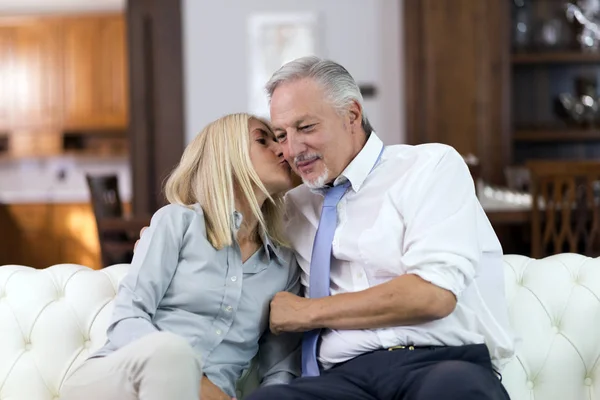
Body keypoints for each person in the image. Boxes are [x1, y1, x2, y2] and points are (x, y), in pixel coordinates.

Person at [244, 56, 515, 400]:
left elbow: (433, 294)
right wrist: (170, 233)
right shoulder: (292, 209)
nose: (293, 149)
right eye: (282, 135)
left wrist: (307, 312)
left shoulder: (428, 167)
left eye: (306, 127)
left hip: (440, 364)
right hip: (343, 379)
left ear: (352, 115)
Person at [60, 113, 301, 400]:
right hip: (118, 382)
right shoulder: (177, 223)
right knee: (171, 354)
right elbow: (128, 316)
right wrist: (194, 381)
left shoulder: (284, 265)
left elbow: (280, 366)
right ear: (228, 156)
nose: (281, 149)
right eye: (263, 140)